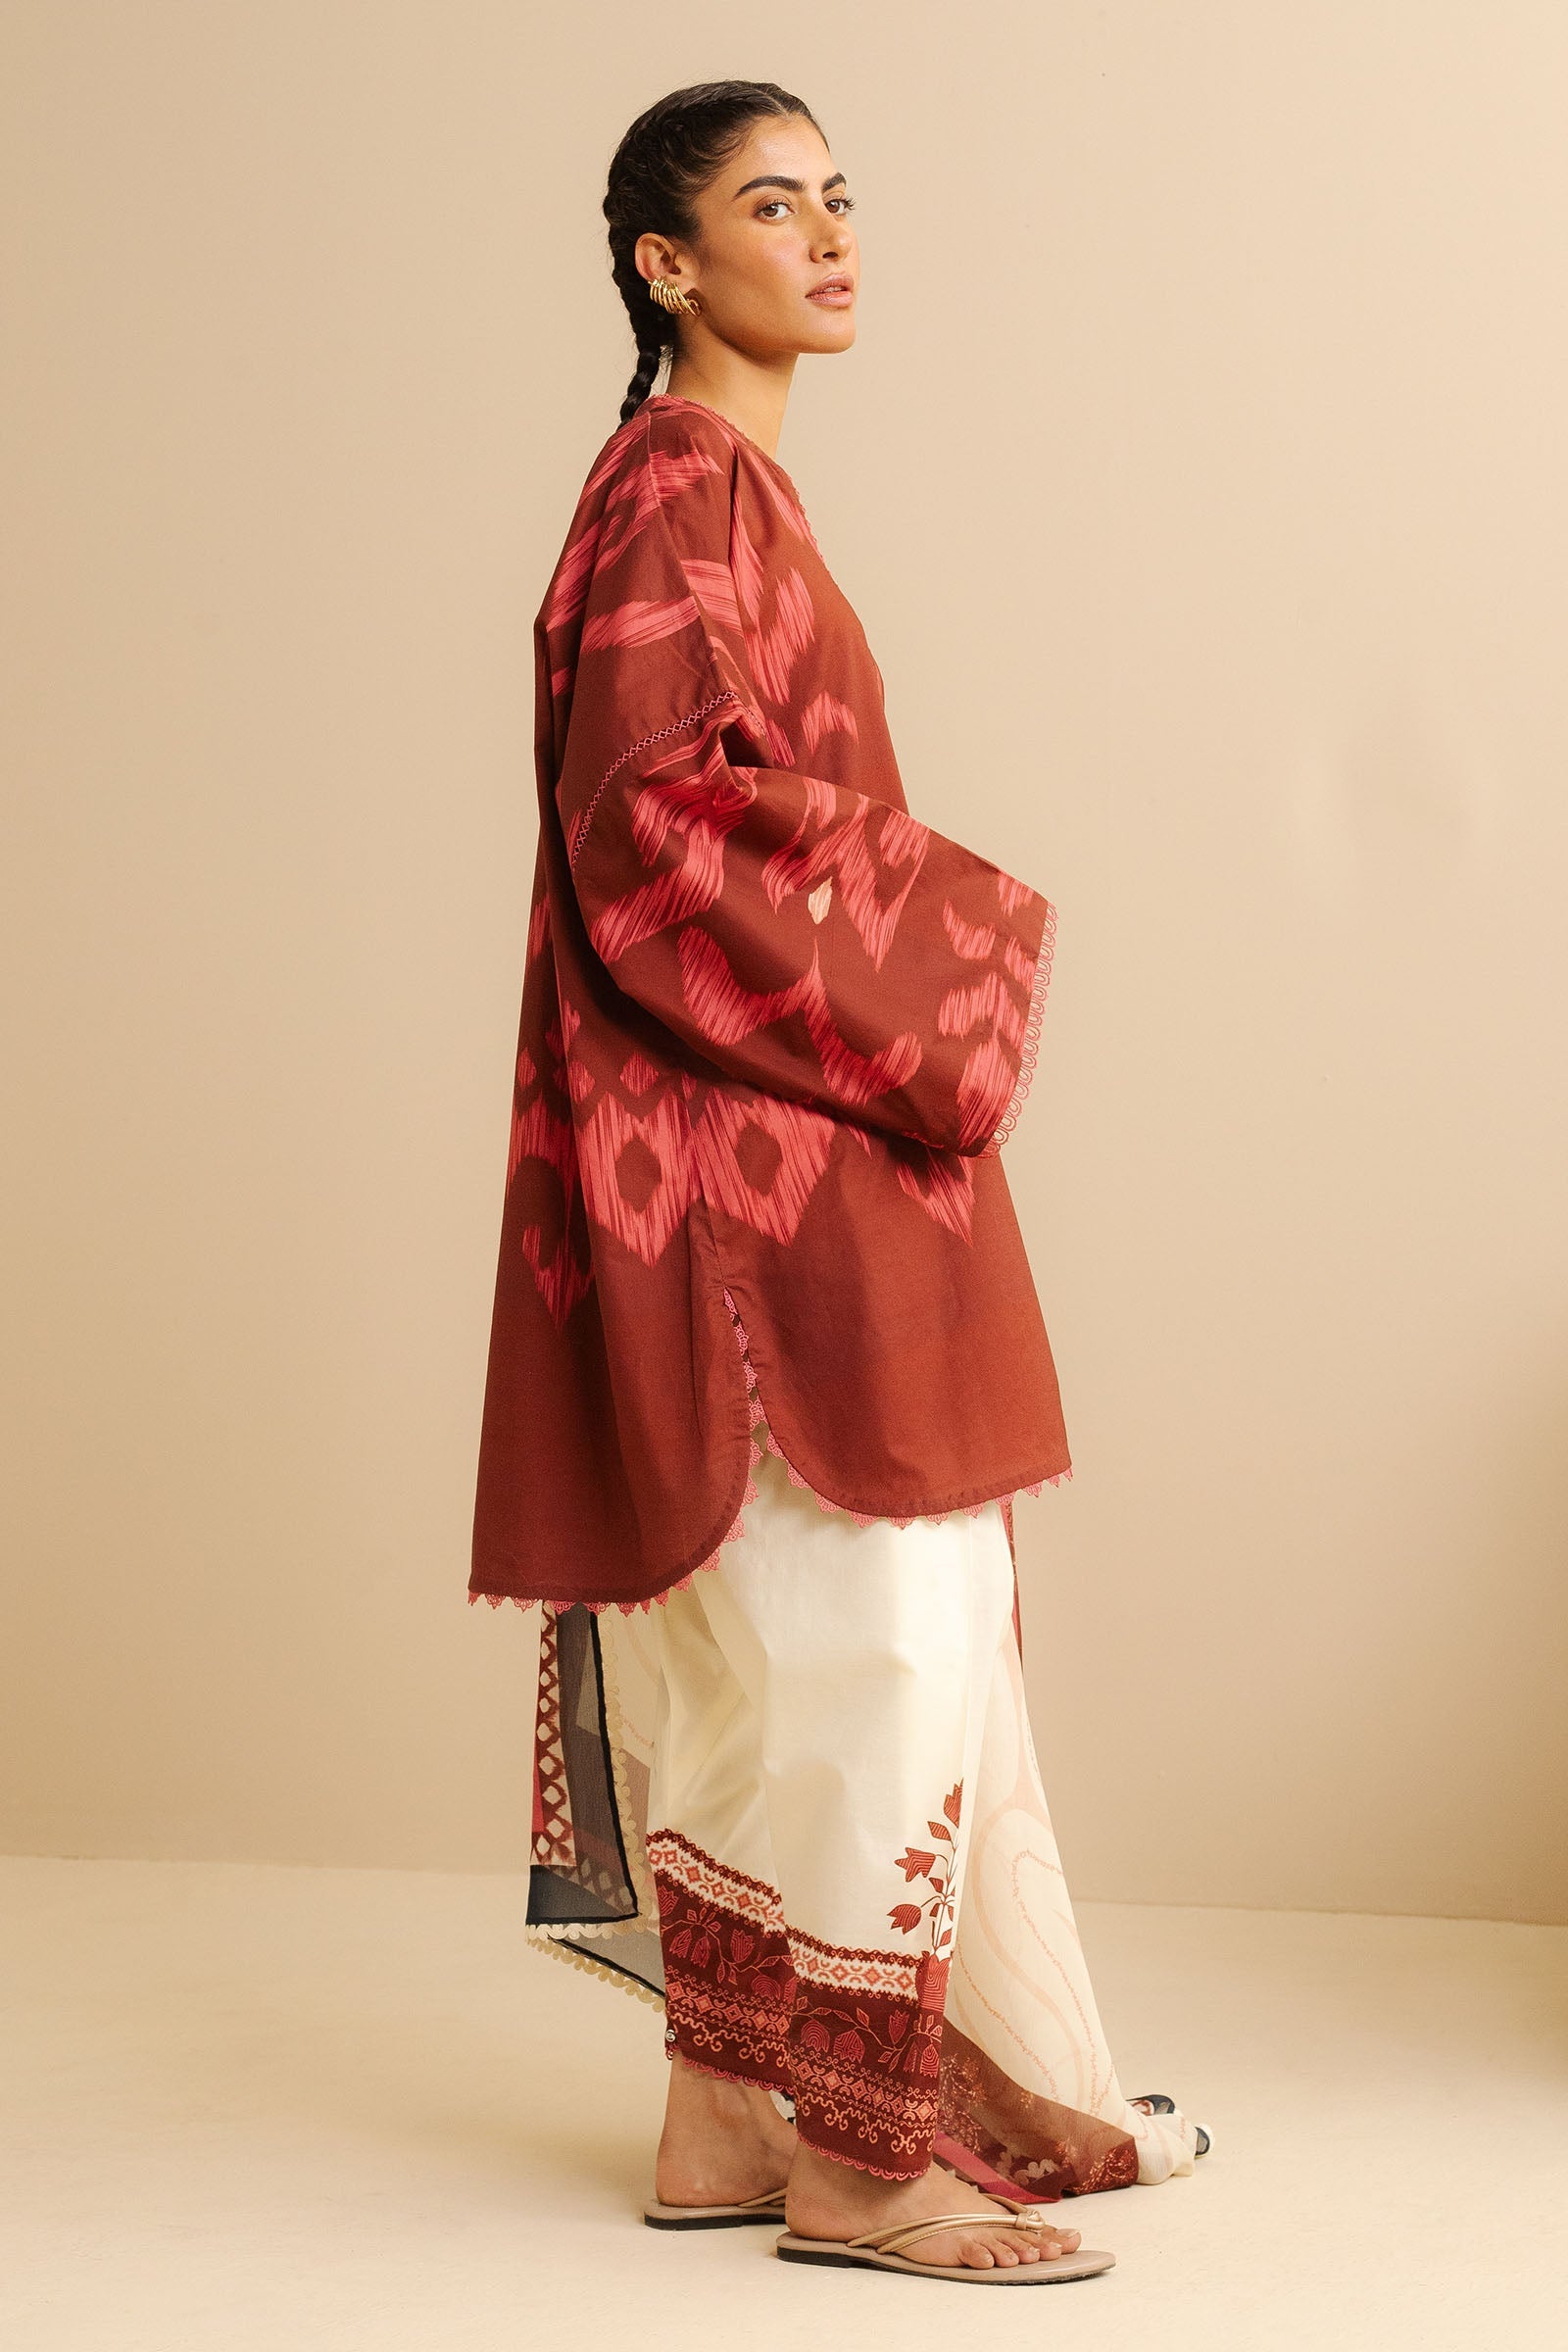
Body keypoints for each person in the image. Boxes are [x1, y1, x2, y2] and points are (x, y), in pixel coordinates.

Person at [469, 79, 1205, 2284]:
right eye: (770, 205)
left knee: (756, 1647)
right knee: (881, 1627)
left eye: (838, 197)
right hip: (748, 1179)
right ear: (663, 263)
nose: (826, 235)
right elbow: (655, 819)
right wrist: (944, 937)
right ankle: (867, 2163)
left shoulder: (706, 488)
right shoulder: (679, 487)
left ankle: (722, 2119)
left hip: (712, 1145)